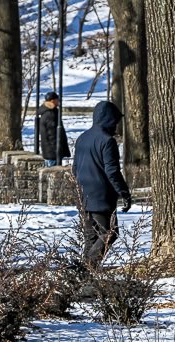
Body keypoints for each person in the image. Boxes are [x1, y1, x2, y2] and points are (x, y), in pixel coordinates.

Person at [73, 101, 133, 267]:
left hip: (84, 194)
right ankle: (86, 268)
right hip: (102, 196)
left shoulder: (82, 138)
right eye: (115, 121)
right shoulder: (107, 141)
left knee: (91, 236)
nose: (116, 126)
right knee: (109, 233)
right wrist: (124, 193)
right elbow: (112, 171)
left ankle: (85, 274)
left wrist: (81, 189)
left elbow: (75, 168)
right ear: (109, 120)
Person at [37, 91, 69, 166]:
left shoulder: (47, 112)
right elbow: (52, 134)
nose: (59, 101)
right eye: (57, 100)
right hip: (53, 152)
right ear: (53, 101)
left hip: (50, 151)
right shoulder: (51, 114)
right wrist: (57, 150)